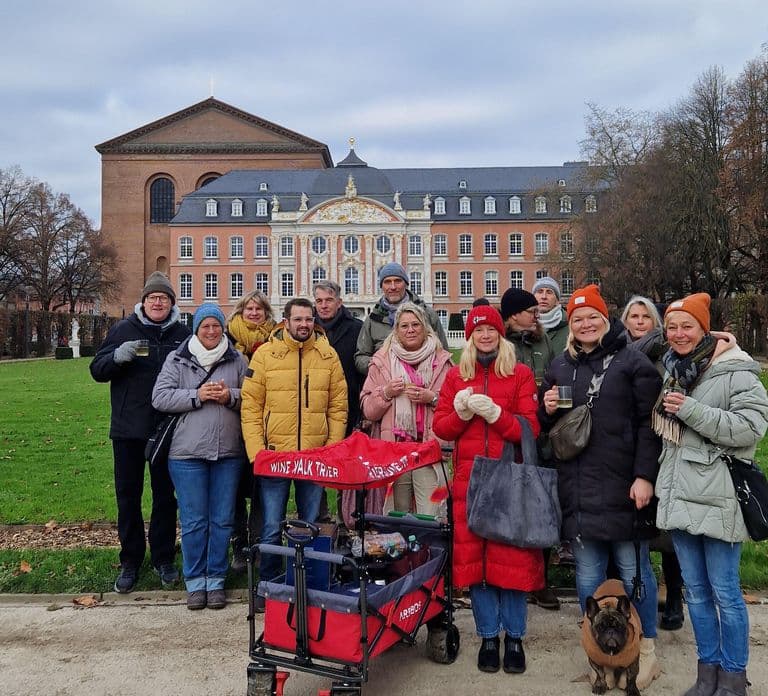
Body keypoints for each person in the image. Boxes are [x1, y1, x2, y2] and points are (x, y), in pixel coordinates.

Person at [538, 284, 663, 690]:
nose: (586, 323)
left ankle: (644, 650)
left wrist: (645, 476)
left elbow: (650, 425)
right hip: (579, 487)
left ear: (605, 320)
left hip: (624, 485)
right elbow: (552, 430)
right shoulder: (560, 366)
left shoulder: (632, 364)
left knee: (633, 573)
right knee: (589, 579)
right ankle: (596, 651)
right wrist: (546, 409)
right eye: (578, 319)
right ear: (570, 325)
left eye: (592, 316)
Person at [654, 293, 768, 696]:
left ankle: (733, 678)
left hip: (719, 498)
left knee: (726, 594)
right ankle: (707, 674)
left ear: (705, 329)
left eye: (688, 326)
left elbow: (750, 429)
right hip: (681, 497)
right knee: (697, 595)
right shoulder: (675, 370)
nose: (679, 334)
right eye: (672, 327)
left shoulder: (736, 371)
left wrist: (689, 410)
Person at [432, 305, 543, 676]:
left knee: (509, 560)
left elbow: (529, 431)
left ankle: (514, 636)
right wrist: (463, 414)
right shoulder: (455, 377)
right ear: (469, 336)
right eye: (477, 330)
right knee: (476, 562)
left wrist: (496, 415)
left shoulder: (520, 374)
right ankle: (487, 637)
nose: (484, 335)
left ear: (500, 333)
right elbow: (442, 429)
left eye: (490, 329)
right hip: (468, 480)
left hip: (508, 478)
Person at [240, 298, 348, 608]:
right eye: (297, 319)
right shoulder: (265, 355)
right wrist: (257, 453)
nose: (303, 324)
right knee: (272, 526)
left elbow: (338, 407)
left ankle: (306, 584)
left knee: (310, 523)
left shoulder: (327, 355)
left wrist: (329, 451)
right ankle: (268, 586)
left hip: (314, 457)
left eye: (308, 319)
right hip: (276, 454)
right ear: (285, 322)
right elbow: (251, 407)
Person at [90, 272, 190, 593]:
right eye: (152, 298)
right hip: (128, 429)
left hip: (166, 430)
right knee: (128, 498)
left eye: (163, 298)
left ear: (171, 302)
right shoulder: (123, 329)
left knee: (165, 499)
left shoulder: (183, 334)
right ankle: (130, 560)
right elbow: (97, 369)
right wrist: (117, 357)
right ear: (143, 301)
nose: (157, 302)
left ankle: (163, 557)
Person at [152, 304, 248, 610]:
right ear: (196, 329)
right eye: (205, 326)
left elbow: (253, 396)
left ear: (223, 329)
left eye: (216, 326)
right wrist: (198, 395)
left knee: (221, 520)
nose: (211, 331)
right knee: (194, 520)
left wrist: (230, 396)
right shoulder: (178, 358)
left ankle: (216, 579)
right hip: (186, 453)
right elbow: (160, 396)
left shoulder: (237, 360)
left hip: (228, 452)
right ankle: (195, 581)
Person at [351, 302, 452, 523]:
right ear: (396, 330)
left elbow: (455, 408)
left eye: (416, 324)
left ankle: (430, 557)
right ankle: (399, 558)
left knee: (432, 516)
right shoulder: (382, 361)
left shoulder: (442, 361)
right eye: (404, 325)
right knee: (396, 516)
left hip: (430, 449)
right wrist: (385, 394)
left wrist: (432, 398)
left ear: (425, 327)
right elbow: (368, 410)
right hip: (394, 451)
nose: (410, 330)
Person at [621, 294, 685, 631]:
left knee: (668, 529)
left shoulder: (668, 354)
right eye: (634, 315)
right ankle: (640, 592)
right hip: (630, 444)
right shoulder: (618, 351)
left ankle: (674, 596)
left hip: (664, 441)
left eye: (646, 316)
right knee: (637, 524)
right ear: (625, 320)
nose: (640, 321)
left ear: (655, 321)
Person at [500, 287, 559, 611]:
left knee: (541, 509)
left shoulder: (543, 341)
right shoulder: (500, 343)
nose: (536, 314)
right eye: (530, 310)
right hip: (509, 438)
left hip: (542, 437)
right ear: (513, 315)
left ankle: (540, 580)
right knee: (510, 512)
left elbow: (553, 378)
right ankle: (512, 579)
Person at [225, 290, 276, 573]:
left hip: (264, 425)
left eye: (259, 309)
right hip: (232, 421)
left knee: (260, 489)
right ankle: (238, 545)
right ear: (240, 312)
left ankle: (258, 545)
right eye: (249, 309)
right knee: (233, 489)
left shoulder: (275, 342)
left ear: (267, 313)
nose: (254, 313)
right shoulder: (227, 340)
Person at [313, 281, 364, 524]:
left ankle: (347, 520)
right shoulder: (306, 328)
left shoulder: (356, 329)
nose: (323, 305)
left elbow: (363, 372)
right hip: (312, 410)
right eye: (319, 300)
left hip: (348, 408)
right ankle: (319, 519)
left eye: (328, 300)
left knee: (345, 467)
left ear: (339, 302)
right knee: (316, 467)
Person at [354, 262, 448, 375]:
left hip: (425, 383)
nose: (393, 287)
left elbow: (443, 353)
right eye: (387, 282)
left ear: (406, 284)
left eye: (398, 281)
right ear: (382, 286)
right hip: (386, 385)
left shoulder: (427, 314)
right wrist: (379, 366)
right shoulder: (372, 320)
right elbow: (361, 357)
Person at [500, 288, 555, 385]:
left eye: (537, 311)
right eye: (532, 311)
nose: (537, 316)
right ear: (514, 315)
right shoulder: (498, 342)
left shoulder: (543, 339)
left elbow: (554, 375)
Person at [532, 277, 569, 355]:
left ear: (557, 301)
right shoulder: (524, 326)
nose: (544, 296)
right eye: (540, 291)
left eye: (549, 292)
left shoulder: (570, 326)